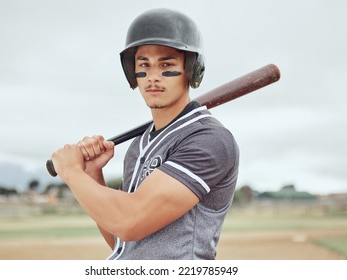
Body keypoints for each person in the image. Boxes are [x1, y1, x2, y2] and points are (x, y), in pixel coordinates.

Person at [51, 8, 239, 260]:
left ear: (191, 70)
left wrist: (72, 173)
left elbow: (130, 221)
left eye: (166, 65)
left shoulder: (209, 140)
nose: (153, 77)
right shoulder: (139, 146)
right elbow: (123, 240)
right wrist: (92, 174)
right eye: (144, 65)